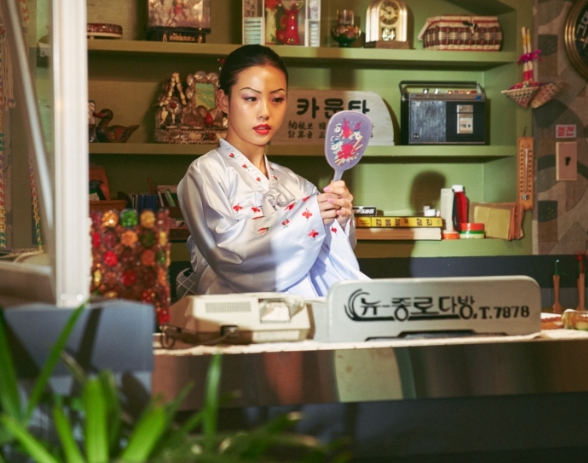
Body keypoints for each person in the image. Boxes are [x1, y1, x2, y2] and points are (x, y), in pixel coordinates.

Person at [177, 44, 368, 297]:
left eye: (277, 99)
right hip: (232, 310)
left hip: (301, 311)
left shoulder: (297, 184)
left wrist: (339, 219)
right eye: (250, 98)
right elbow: (227, 253)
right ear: (224, 100)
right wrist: (306, 217)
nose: (265, 112)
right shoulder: (205, 173)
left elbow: (329, 260)